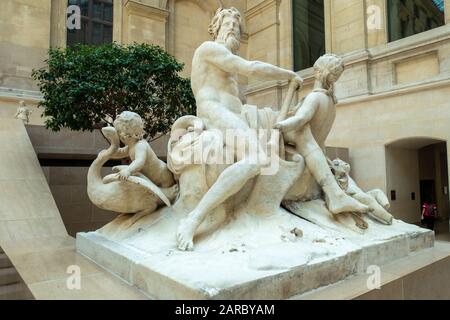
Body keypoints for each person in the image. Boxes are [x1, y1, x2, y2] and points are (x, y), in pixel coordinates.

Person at [176, 7, 304, 251]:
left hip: (235, 116)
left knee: (270, 147)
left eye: (237, 24)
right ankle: (193, 220)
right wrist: (288, 74)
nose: (233, 27)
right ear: (215, 28)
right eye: (227, 23)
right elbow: (251, 68)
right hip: (215, 112)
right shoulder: (209, 49)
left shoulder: (224, 63)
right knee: (256, 158)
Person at [275, 54, 370, 216]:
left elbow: (300, 119)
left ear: (318, 72)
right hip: (316, 148)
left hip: (302, 143)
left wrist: (280, 125)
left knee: (302, 130)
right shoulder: (331, 102)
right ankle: (336, 195)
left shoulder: (315, 97)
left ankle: (336, 196)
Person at [110, 111, 175, 188]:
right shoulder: (131, 146)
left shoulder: (140, 146)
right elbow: (119, 153)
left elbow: (139, 161)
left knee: (166, 196)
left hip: (163, 176)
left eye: (119, 132)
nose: (119, 136)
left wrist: (128, 170)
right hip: (153, 178)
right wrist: (108, 152)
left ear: (127, 135)